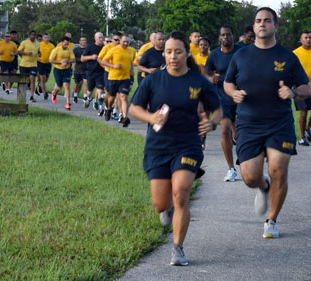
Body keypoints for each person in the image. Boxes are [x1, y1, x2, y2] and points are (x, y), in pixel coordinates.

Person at [129, 31, 221, 266]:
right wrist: (151, 118)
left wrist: (212, 122)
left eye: (177, 51)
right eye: (168, 52)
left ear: (186, 53)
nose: (172, 56)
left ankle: (178, 249)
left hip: (188, 144)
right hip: (158, 147)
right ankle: (166, 209)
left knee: (181, 193)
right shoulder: (153, 80)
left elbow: (217, 109)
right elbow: (134, 108)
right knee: (161, 204)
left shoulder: (198, 81)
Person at [224, 7, 311, 238]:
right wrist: (233, 93)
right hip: (248, 123)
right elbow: (228, 83)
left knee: (278, 170)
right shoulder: (240, 56)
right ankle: (264, 186)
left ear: (276, 26)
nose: (262, 24)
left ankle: (271, 220)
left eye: (267, 21)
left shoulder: (288, 57)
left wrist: (292, 93)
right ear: (254, 27)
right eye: (258, 21)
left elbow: (306, 88)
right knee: (250, 177)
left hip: (278, 123)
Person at [205, 25, 242, 182]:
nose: (226, 37)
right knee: (225, 130)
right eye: (223, 35)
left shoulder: (241, 52)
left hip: (240, 96)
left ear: (233, 36)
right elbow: (206, 76)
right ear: (219, 38)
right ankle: (231, 169)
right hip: (221, 97)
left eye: (228, 35)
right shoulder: (213, 56)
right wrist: (210, 79)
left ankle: (242, 151)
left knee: (240, 132)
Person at [102, 34, 136, 127]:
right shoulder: (113, 50)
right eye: (124, 41)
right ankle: (108, 109)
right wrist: (113, 66)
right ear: (120, 41)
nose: (126, 43)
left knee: (124, 97)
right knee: (111, 97)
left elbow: (131, 63)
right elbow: (103, 61)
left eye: (127, 42)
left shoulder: (131, 50)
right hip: (113, 78)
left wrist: (132, 73)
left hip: (125, 78)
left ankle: (125, 118)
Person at [97, 32, 122, 113]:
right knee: (110, 93)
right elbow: (99, 58)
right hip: (109, 73)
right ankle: (106, 105)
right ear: (112, 40)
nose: (118, 41)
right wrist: (105, 66)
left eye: (119, 40)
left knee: (120, 94)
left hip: (121, 74)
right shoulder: (108, 47)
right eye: (116, 40)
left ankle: (115, 112)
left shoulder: (125, 48)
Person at [49, 36, 75, 110]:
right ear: (61, 43)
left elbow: (73, 59)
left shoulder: (69, 50)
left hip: (66, 70)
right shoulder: (56, 50)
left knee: (66, 86)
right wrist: (60, 62)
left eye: (67, 44)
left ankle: (67, 103)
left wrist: (67, 61)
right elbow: (51, 60)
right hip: (57, 70)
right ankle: (54, 92)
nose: (66, 45)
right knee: (59, 87)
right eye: (65, 44)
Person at [81, 32, 105, 110]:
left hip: (101, 72)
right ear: (95, 38)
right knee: (90, 90)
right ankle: (88, 99)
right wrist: (91, 57)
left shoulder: (104, 47)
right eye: (99, 38)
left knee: (100, 89)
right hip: (91, 72)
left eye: (102, 37)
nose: (101, 39)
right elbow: (82, 58)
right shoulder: (90, 47)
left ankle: (96, 101)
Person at [18, 30, 40, 102]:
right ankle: (21, 95)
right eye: (32, 35)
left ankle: (31, 96)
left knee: (32, 79)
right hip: (24, 64)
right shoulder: (24, 42)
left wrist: (39, 54)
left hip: (33, 65)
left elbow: (38, 51)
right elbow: (18, 51)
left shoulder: (37, 44)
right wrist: (25, 53)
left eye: (34, 35)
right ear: (29, 35)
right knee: (23, 81)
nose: (33, 36)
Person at [36, 33, 55, 100]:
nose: (46, 39)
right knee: (42, 78)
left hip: (48, 63)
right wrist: (37, 55)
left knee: (45, 79)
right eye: (45, 37)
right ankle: (45, 93)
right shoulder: (39, 44)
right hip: (40, 63)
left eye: (47, 37)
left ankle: (39, 85)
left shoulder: (51, 46)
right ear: (43, 38)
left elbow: (54, 53)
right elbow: (35, 51)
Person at [73, 37, 88, 104]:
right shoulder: (76, 49)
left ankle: (85, 96)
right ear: (79, 41)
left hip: (86, 69)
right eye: (82, 40)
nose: (83, 41)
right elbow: (73, 59)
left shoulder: (87, 49)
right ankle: (75, 95)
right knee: (77, 84)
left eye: (84, 40)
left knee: (86, 83)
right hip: (78, 69)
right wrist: (80, 60)